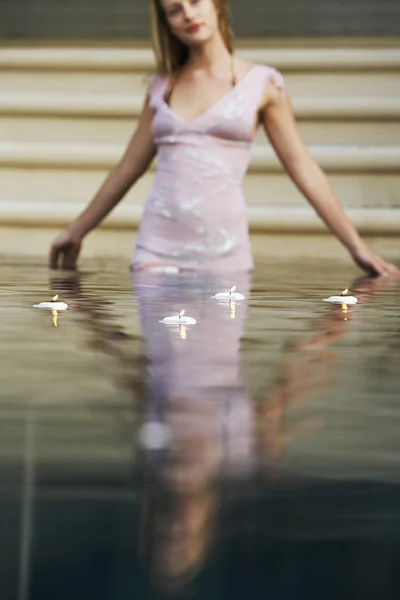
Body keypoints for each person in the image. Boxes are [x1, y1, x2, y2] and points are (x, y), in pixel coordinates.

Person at [49, 0, 398, 277]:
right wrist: (76, 231)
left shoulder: (263, 85)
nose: (188, 14)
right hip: (155, 253)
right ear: (166, 22)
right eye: (174, 9)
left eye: (195, 2)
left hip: (224, 258)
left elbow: (302, 168)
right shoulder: (161, 87)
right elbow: (127, 168)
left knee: (220, 365)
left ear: (217, 4)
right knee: (161, 365)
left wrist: (357, 247)